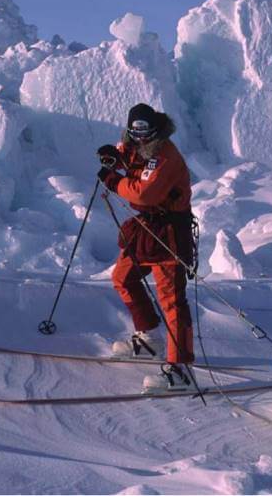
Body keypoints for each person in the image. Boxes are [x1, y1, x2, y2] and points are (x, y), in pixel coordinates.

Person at [97, 103, 195, 390]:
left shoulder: (164, 155)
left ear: (156, 130)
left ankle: (181, 370)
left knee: (172, 300)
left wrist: (113, 180)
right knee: (122, 278)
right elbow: (126, 158)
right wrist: (112, 158)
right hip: (145, 228)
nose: (140, 137)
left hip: (169, 231)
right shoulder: (134, 144)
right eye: (135, 131)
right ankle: (148, 337)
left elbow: (145, 193)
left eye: (146, 132)